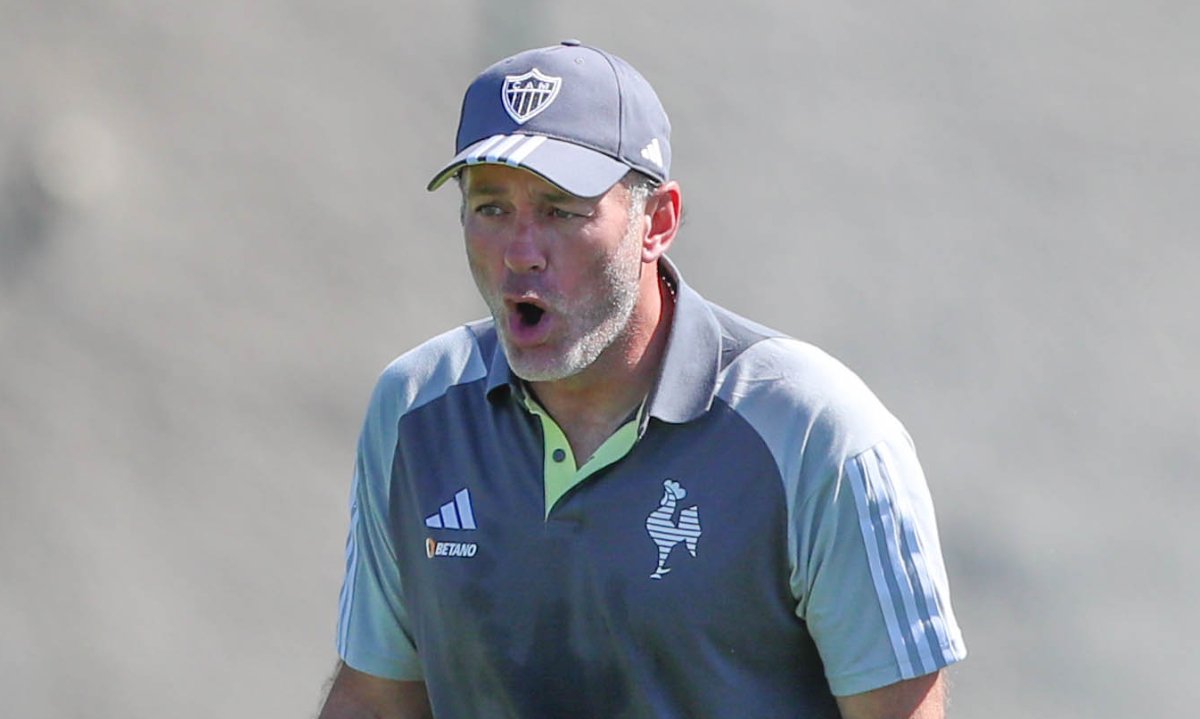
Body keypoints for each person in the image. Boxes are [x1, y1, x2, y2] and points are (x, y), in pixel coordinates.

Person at [319, 40, 966, 719]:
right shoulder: (415, 409)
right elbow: (375, 700)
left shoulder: (817, 433)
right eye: (490, 207)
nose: (521, 252)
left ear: (657, 221)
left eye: (562, 210)